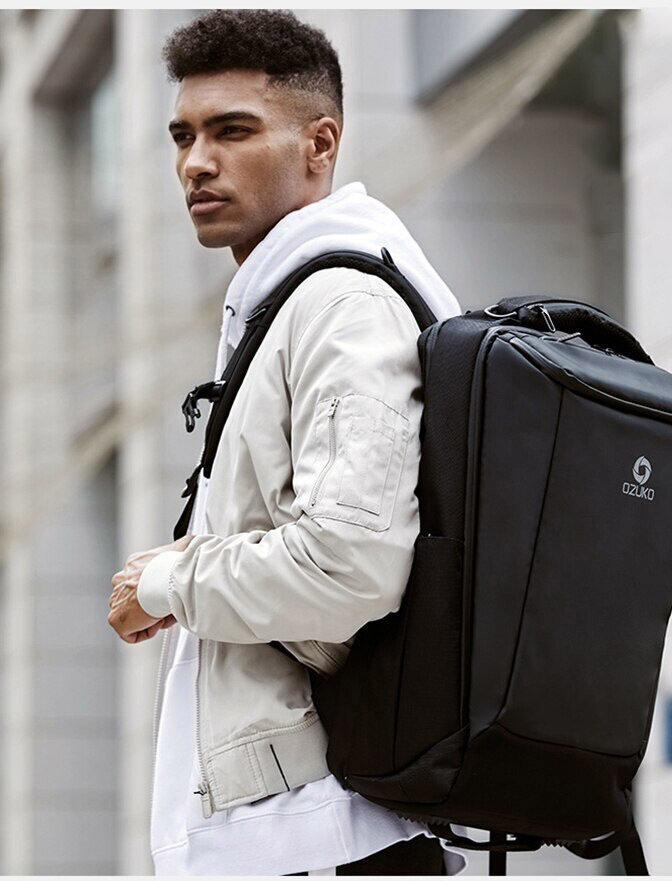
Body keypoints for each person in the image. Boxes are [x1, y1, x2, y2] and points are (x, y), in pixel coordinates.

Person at [107, 9, 467, 876]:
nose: (197, 162)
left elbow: (351, 563)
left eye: (232, 131)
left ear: (319, 143)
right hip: (303, 830)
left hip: (328, 835)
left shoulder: (343, 305)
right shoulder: (285, 304)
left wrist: (166, 581)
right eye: (184, 136)